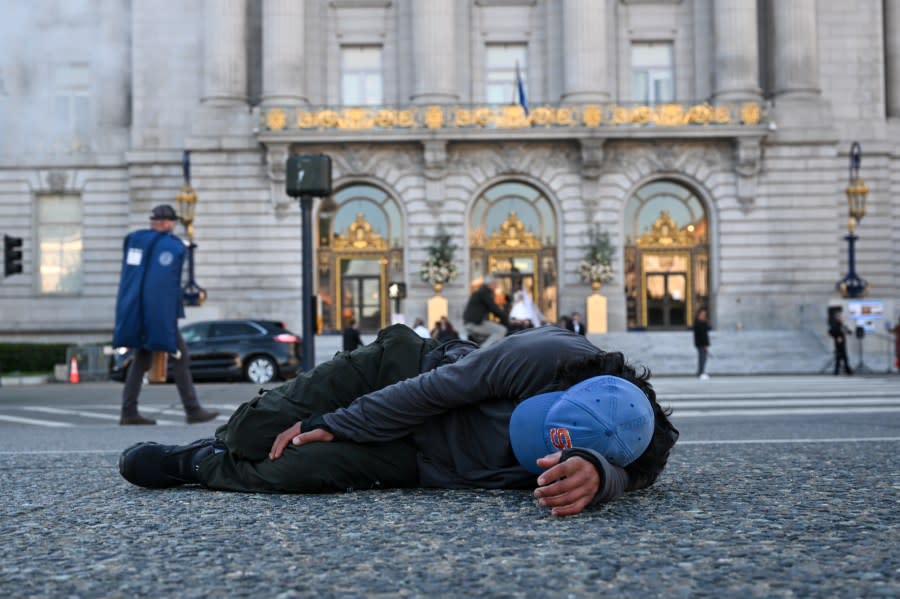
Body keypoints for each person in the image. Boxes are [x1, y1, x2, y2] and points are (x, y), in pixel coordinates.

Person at [119, 325, 678, 517]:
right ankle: (222, 441)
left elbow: (638, 474)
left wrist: (603, 478)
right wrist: (337, 421)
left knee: (294, 469)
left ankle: (201, 464)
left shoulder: (631, 438)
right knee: (256, 431)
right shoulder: (547, 353)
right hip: (398, 375)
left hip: (425, 457)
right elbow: (433, 389)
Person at [113, 204, 218, 426]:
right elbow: (164, 287)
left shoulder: (135, 240)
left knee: (141, 360)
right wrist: (166, 320)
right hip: (159, 316)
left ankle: (128, 411)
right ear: (166, 223)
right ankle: (192, 409)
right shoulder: (171, 246)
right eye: (171, 222)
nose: (172, 226)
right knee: (181, 356)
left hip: (136, 311)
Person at [463, 274, 509, 348]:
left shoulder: (482, 291)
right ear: (491, 284)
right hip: (474, 324)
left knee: (495, 330)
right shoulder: (484, 293)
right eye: (496, 284)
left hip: (472, 322)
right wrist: (507, 319)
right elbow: (494, 308)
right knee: (501, 330)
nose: (497, 287)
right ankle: (483, 351)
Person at [693, 308, 711, 380]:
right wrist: (705, 345)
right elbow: (702, 335)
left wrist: (705, 322)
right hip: (701, 344)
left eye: (705, 314)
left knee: (703, 358)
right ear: (699, 314)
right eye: (703, 314)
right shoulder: (698, 322)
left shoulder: (702, 322)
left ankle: (701, 372)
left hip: (702, 343)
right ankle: (701, 372)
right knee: (702, 358)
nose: (704, 315)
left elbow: (707, 330)